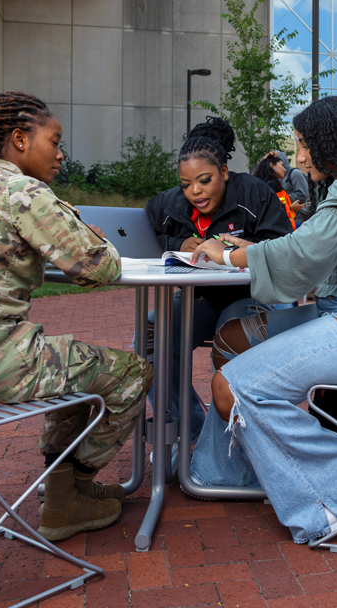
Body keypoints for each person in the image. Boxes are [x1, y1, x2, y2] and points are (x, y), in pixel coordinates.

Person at [0, 91, 152, 542]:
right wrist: (86, 236)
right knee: (131, 373)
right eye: (54, 141)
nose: (60, 154)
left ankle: (67, 495)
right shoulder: (22, 190)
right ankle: (65, 494)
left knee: (75, 360)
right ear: (19, 139)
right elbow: (102, 268)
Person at [187, 96, 337, 545]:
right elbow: (312, 244)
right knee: (235, 340)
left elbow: (305, 255)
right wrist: (236, 249)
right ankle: (225, 474)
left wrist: (233, 253)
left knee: (242, 384)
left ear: (331, 141)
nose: (298, 157)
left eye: (303, 145)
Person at [143, 117, 293, 459]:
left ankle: (228, 444)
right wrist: (179, 241)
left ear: (224, 172)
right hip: (203, 297)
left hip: (252, 296)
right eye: (185, 184)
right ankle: (186, 424)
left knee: (233, 337)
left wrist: (236, 249)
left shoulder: (254, 192)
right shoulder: (169, 204)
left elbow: (283, 245)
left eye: (204, 180)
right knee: (151, 335)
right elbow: (147, 229)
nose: (195, 191)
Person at [264, 149, 311, 224]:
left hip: (298, 218)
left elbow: (303, 194)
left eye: (283, 165)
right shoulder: (273, 179)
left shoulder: (295, 173)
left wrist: (283, 199)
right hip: (286, 217)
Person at [252, 156, 299, 230]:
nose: (285, 170)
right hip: (277, 230)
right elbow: (272, 210)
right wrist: (291, 207)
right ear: (271, 165)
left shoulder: (264, 184)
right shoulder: (270, 186)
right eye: (282, 165)